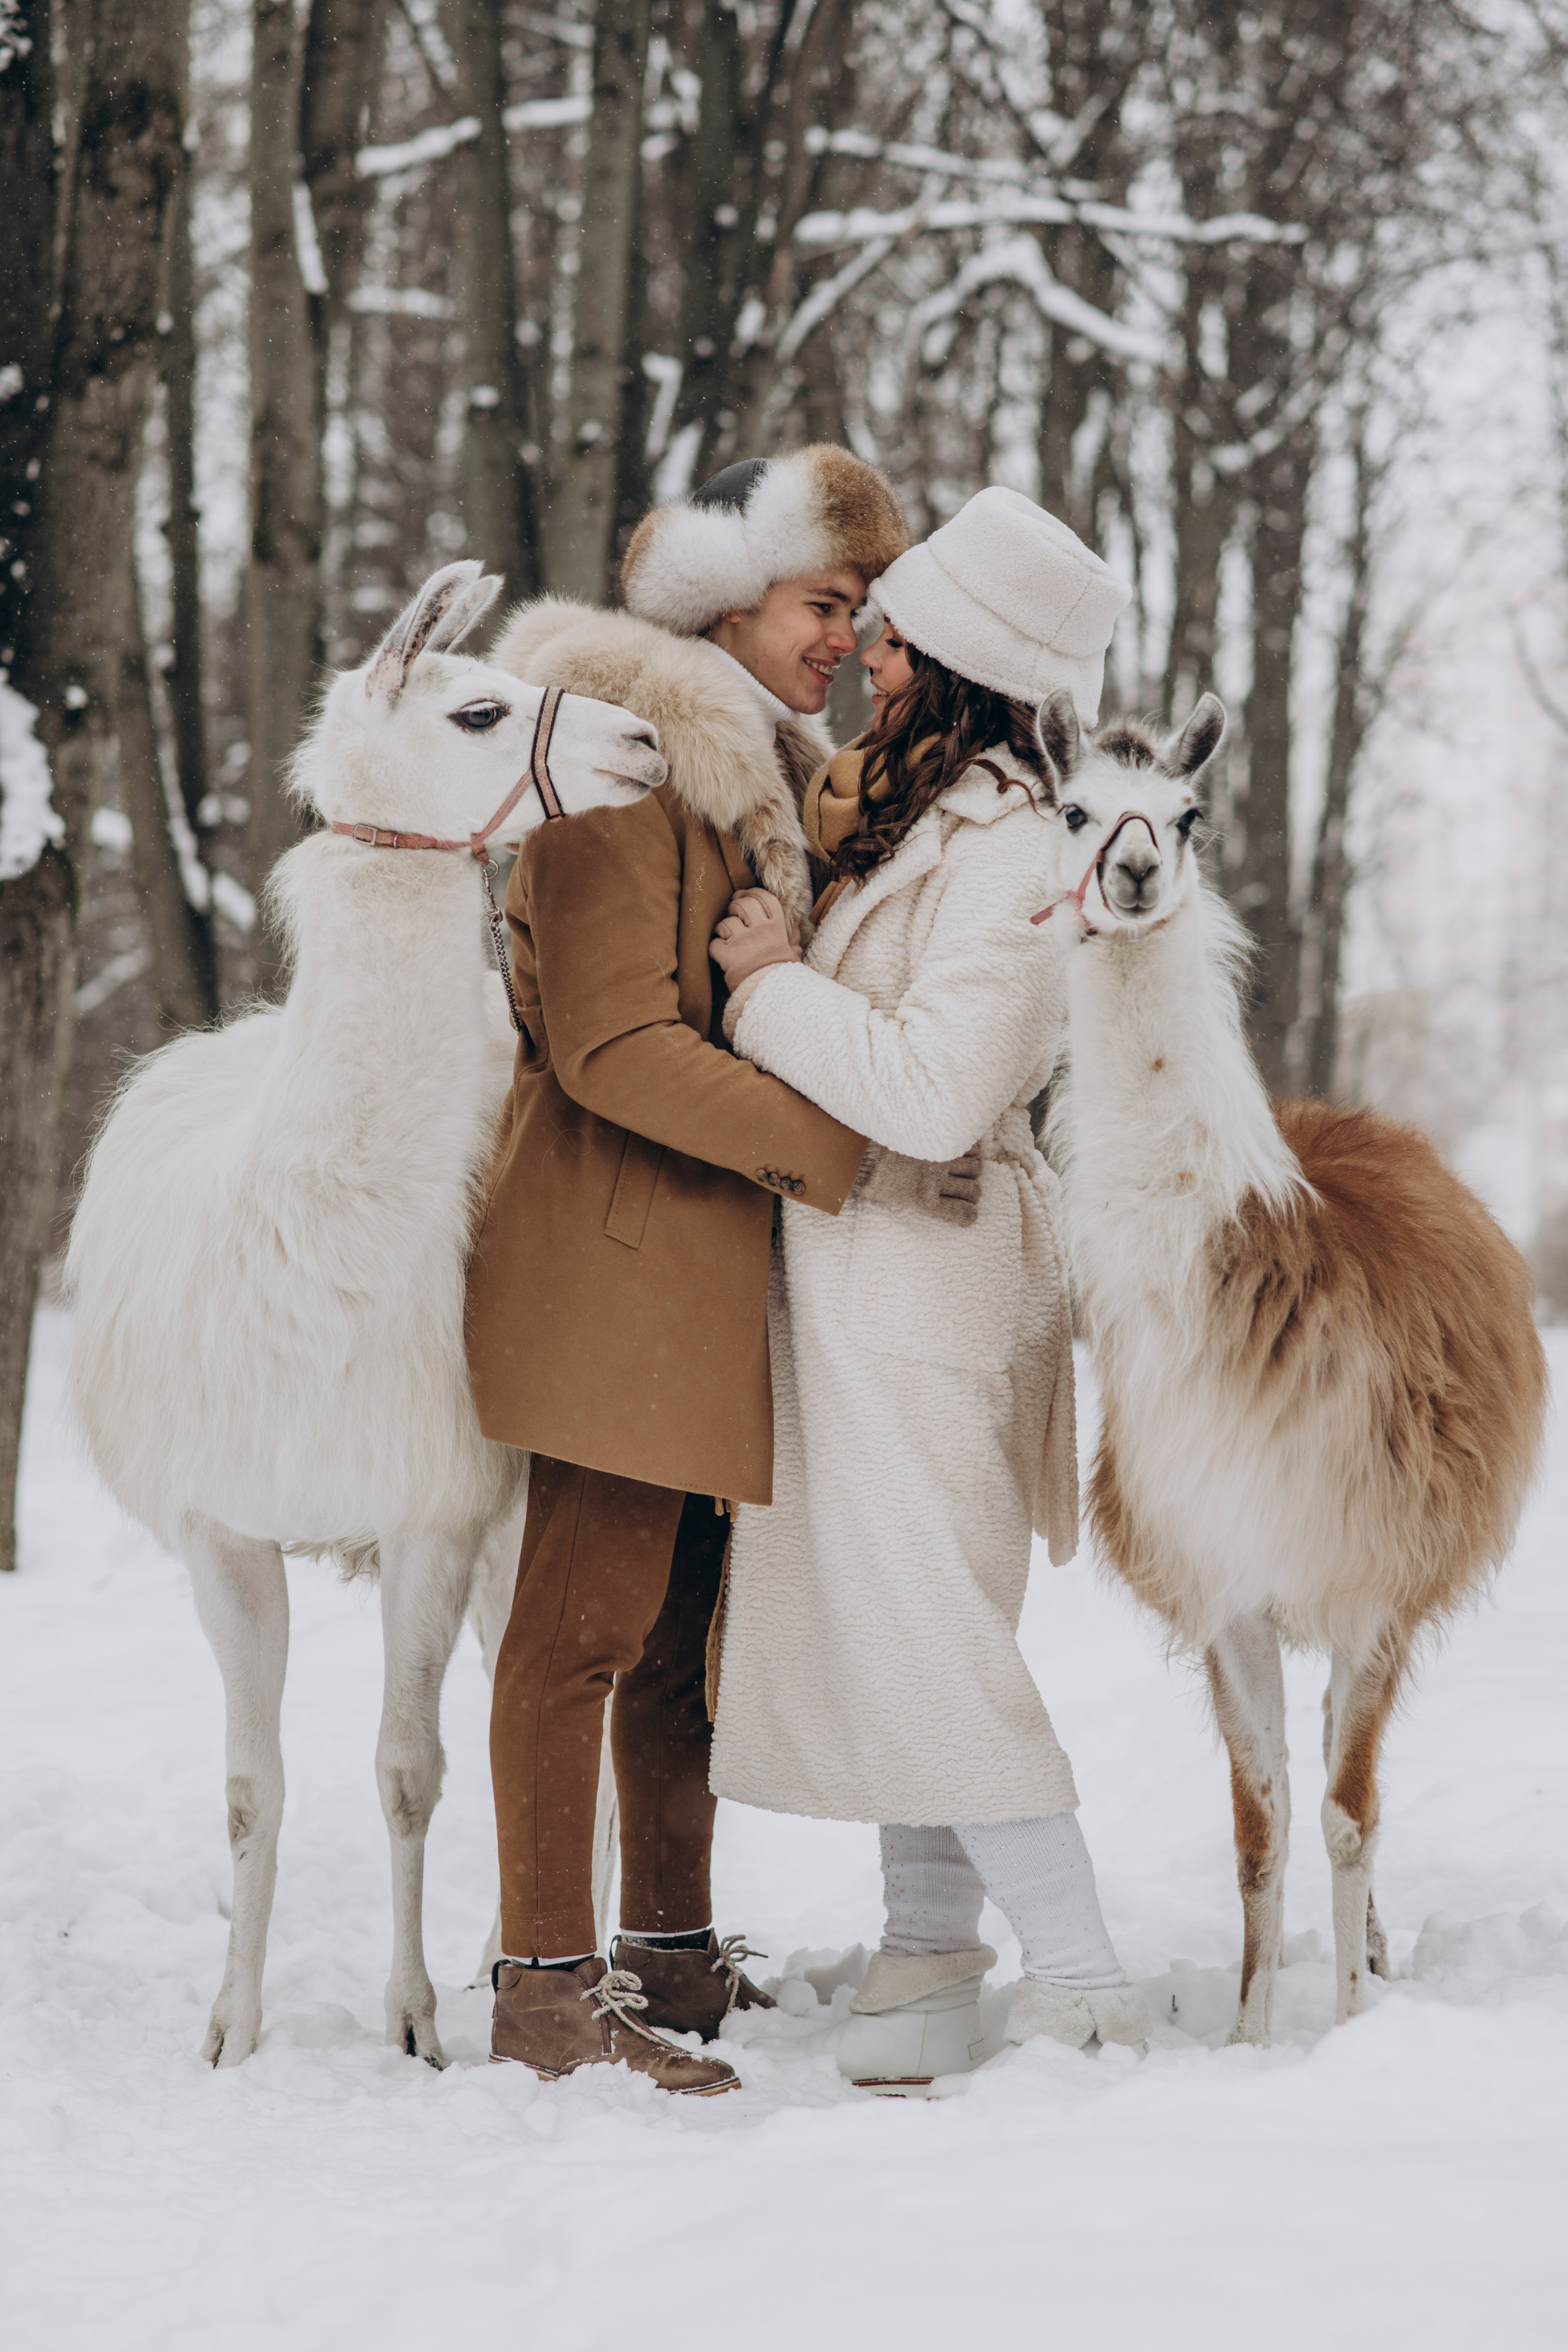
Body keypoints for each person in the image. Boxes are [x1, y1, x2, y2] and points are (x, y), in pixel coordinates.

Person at [466, 446, 973, 2092]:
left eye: (862, 610)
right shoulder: (618, 762)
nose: (848, 635)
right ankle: (546, 1996)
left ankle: (668, 1962)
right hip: (615, 1250)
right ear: (733, 595)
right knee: (580, 1627)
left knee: (678, 1639)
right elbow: (614, 1045)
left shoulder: (740, 773)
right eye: (830, 603)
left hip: (700, 1262)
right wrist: (842, 1151)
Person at [706, 486, 1155, 2086]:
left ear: (960, 660)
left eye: (896, 634)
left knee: (932, 1638)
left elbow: (935, 1088)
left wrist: (763, 995)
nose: (869, 655)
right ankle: (926, 1952)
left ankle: (1086, 1978)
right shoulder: (924, 814)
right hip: (868, 1266)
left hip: (932, 1256)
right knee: (904, 1625)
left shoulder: (1016, 846)